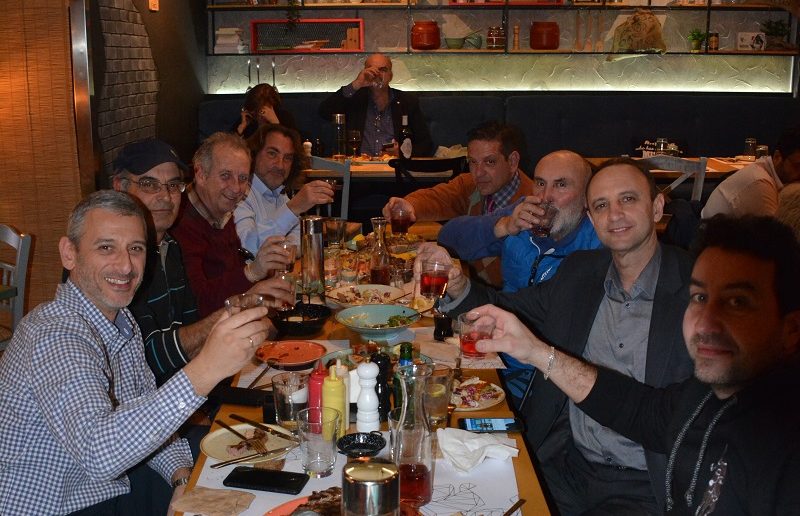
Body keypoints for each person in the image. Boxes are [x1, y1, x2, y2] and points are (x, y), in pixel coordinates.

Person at [468, 215, 800, 514]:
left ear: (791, 330)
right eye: (700, 297)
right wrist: (535, 352)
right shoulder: (702, 396)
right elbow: (638, 409)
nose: (706, 322)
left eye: (738, 302)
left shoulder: (783, 450)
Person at [419, 157, 695, 514]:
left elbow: (678, 420)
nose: (614, 214)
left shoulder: (699, 291)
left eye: (628, 199)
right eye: (601, 205)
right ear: (591, 218)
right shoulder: (581, 272)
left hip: (647, 483)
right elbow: (506, 307)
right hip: (567, 463)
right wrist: (458, 285)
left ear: (657, 207)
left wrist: (542, 355)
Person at [0, 191, 272, 515]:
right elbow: (100, 454)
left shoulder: (121, 320)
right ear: (69, 254)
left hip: (108, 486)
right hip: (57, 505)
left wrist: (181, 478)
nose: (126, 265)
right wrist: (207, 368)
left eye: (136, 248)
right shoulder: (54, 334)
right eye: (106, 247)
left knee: (250, 461)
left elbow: (143, 415)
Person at [437, 150, 601, 408]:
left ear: (586, 197)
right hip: (491, 354)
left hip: (540, 375)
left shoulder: (596, 247)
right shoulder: (525, 215)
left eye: (561, 185)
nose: (546, 197)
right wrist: (503, 226)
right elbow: (448, 237)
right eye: (540, 183)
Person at [385, 121, 535, 287]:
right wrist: (410, 205)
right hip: (468, 285)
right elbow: (438, 197)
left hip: (501, 297)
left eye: (490, 162)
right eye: (473, 162)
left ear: (512, 161)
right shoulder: (471, 185)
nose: (478, 173)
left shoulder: (533, 206)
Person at [171, 132, 294, 317]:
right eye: (225, 176)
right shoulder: (179, 223)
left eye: (243, 178)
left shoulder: (221, 212)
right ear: (201, 174)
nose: (236, 188)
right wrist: (253, 272)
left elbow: (232, 273)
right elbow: (196, 305)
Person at [234, 124, 334, 256]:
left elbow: (299, 237)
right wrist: (293, 208)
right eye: (272, 154)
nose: (280, 165)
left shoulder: (279, 193)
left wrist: (282, 248)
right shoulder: (238, 192)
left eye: (287, 158)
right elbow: (246, 249)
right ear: (253, 154)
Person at [318, 53, 433, 157]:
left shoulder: (407, 102)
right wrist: (356, 84)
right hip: (358, 167)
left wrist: (402, 152)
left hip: (394, 167)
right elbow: (324, 112)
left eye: (383, 70)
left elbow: (426, 144)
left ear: (391, 76)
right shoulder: (353, 99)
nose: (377, 74)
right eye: (371, 70)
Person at [702, 126, 800, 218]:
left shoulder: (763, 171)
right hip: (712, 229)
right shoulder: (760, 183)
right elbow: (774, 229)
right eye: (797, 166)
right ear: (777, 157)